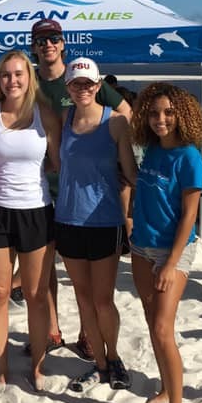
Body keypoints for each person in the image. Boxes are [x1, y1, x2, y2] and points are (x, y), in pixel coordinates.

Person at [30, 18, 131, 360]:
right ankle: (52, 330)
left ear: (62, 44)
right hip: (45, 188)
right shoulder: (28, 80)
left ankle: (91, 339)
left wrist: (118, 159)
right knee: (45, 270)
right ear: (35, 45)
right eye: (41, 39)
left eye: (53, 39)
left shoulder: (80, 77)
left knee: (91, 286)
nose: (47, 45)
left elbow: (125, 112)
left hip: (87, 195)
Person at [0, 50, 61, 389]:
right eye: (6, 75)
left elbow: (58, 164)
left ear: (29, 77)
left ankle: (37, 368)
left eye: (19, 74)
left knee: (37, 295)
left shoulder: (46, 116)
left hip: (37, 211)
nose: (12, 80)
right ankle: (2, 369)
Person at [129, 82, 202, 403]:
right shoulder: (151, 151)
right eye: (155, 112)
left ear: (183, 115)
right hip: (142, 246)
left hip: (172, 251)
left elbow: (189, 216)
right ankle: (165, 387)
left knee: (163, 328)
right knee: (150, 321)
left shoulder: (189, 156)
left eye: (169, 112)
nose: (161, 119)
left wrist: (172, 263)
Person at [55, 58, 137, 394]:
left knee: (103, 299)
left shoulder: (116, 123)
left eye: (88, 83)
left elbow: (131, 174)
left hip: (104, 220)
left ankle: (114, 357)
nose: (83, 89)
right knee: (83, 298)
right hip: (68, 218)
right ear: (68, 88)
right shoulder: (65, 118)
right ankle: (99, 364)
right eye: (76, 84)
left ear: (99, 84)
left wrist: (133, 219)